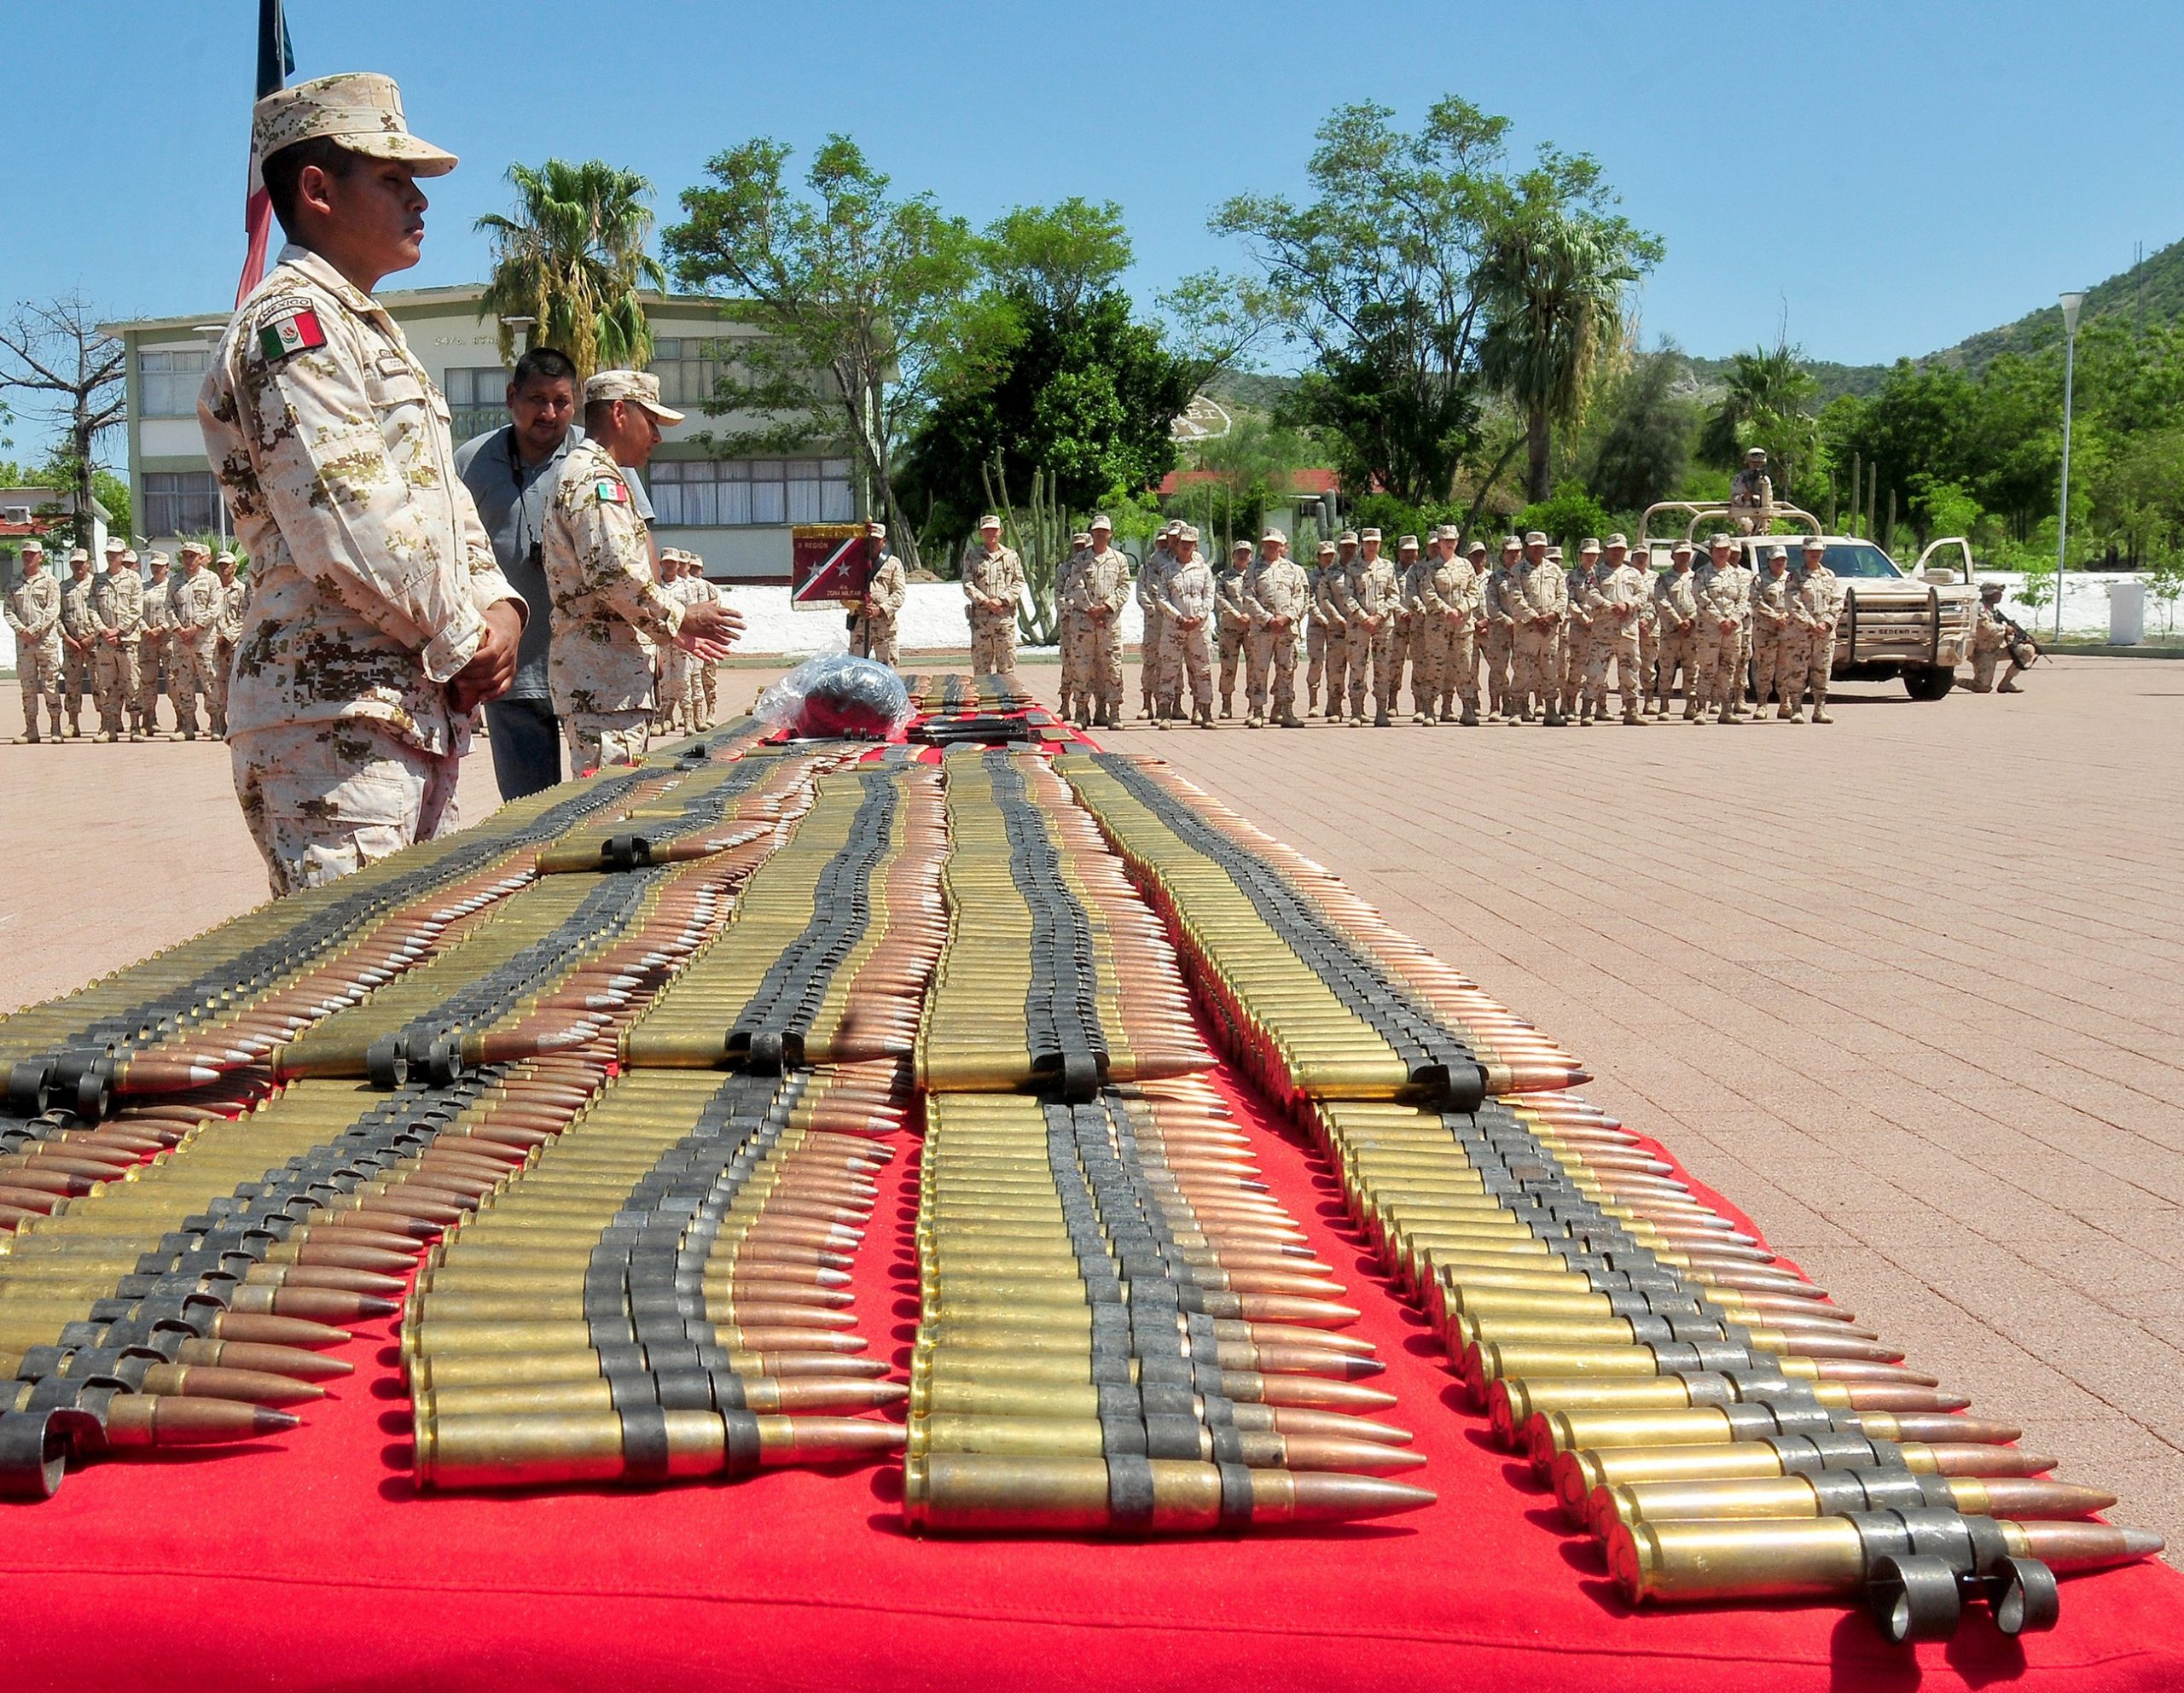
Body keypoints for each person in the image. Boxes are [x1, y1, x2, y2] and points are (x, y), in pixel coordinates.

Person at [200, 72, 528, 893]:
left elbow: (444, 505)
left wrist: (500, 607)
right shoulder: (291, 325)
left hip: (398, 707)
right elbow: (350, 524)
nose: (420, 200)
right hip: (330, 718)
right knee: (357, 966)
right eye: (392, 178)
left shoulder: (363, 329)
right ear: (317, 190)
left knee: (416, 956)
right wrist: (466, 639)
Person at [543, 369, 740, 772]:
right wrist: (681, 617)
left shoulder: (594, 472)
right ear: (619, 413)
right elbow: (614, 575)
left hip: (608, 683)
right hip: (604, 686)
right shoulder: (595, 479)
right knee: (609, 800)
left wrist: (671, 632)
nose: (657, 437)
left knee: (619, 795)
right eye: (651, 422)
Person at [454, 344, 584, 800]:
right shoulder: (470, 462)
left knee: (607, 804)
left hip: (592, 668)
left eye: (561, 402)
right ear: (512, 397)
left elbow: (639, 540)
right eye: (536, 400)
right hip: (514, 669)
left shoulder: (595, 459)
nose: (549, 413)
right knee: (529, 811)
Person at [1242, 527, 1307, 728]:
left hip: (1286, 630)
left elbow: (1300, 596)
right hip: (1263, 630)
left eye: (1275, 544)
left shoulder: (1293, 570)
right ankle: (1257, 712)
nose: (1271, 547)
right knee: (1259, 670)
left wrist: (1287, 617)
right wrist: (1269, 619)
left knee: (1287, 670)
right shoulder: (1253, 570)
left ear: (1281, 546)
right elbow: (1248, 598)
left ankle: (1286, 711)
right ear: (1263, 545)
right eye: (1268, 544)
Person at [1071, 515, 1130, 729]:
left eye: (1104, 531)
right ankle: (1081, 713)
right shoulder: (1080, 559)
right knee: (1082, 667)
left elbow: (1124, 588)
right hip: (1084, 624)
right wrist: (1090, 609)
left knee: (1112, 667)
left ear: (1110, 534)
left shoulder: (1119, 559)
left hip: (1109, 623)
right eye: (1097, 531)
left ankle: (1113, 713)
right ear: (1092, 533)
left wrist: (1105, 608)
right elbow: (1075, 586)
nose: (1100, 534)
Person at [1154, 523, 1215, 728]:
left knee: (1202, 670)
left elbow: (1209, 598)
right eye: (1183, 543)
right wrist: (1179, 618)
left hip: (1199, 628)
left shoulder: (1204, 570)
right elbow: (1162, 599)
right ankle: (1165, 713)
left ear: (1196, 545)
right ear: (1177, 544)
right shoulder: (1167, 570)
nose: (1186, 547)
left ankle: (1205, 712)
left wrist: (1198, 618)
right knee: (1169, 670)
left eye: (1191, 543)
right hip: (1174, 628)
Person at [1583, 539, 1647, 725]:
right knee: (1595, 672)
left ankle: (1631, 710)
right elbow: (1591, 594)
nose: (1617, 553)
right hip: (1604, 632)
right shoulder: (1595, 573)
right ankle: (1586, 710)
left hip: (1628, 632)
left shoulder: (1633, 573)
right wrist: (1611, 606)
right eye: (1613, 549)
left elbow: (1643, 595)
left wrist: (1628, 605)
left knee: (1630, 671)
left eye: (1621, 549)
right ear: (1606, 551)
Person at [4, 538, 63, 742]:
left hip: (45, 642)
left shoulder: (50, 581)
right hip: (24, 644)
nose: (28, 557)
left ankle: (55, 728)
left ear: (41, 557)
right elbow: (9, 610)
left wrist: (35, 630)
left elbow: (53, 610)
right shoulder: (14, 582)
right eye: (25, 554)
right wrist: (22, 630)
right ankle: (31, 729)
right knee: (28, 687)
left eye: (32, 554)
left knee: (50, 685)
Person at [1510, 531, 1567, 726]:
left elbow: (1563, 596)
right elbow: (1515, 598)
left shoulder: (1555, 570)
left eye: (1541, 547)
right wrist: (1535, 619)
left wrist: (1552, 616)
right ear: (1527, 547)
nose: (1538, 550)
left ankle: (1551, 711)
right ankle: (1517, 710)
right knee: (1523, 670)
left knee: (1550, 669)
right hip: (1527, 630)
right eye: (1534, 547)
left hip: (1550, 631)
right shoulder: (1517, 571)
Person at [1345, 527, 1400, 726]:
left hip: (1383, 626)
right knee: (1357, 667)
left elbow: (1394, 595)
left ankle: (1381, 712)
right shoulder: (1352, 567)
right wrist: (1363, 618)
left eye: (1375, 543)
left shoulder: (1387, 567)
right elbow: (1347, 596)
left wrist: (1379, 616)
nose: (1371, 546)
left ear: (1380, 545)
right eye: (1368, 542)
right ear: (1362, 544)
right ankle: (1356, 712)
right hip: (1358, 626)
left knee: (1383, 667)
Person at [1694, 533, 1753, 724]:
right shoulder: (1701, 574)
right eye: (1718, 549)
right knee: (1707, 669)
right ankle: (1701, 709)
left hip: (1733, 630)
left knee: (1728, 669)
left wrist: (1733, 620)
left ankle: (1726, 710)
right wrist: (1720, 620)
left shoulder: (1738, 575)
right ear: (1711, 551)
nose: (1722, 553)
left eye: (1725, 549)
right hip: (1710, 629)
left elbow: (1744, 600)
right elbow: (1701, 599)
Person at [90, 542, 145, 742]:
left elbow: (136, 609)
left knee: (132, 683)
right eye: (109, 553)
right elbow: (92, 608)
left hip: (127, 640)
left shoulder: (133, 578)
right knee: (106, 685)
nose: (112, 557)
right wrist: (104, 630)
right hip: (105, 642)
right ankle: (109, 727)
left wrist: (118, 630)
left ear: (123, 555)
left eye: (115, 554)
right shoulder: (98, 580)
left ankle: (135, 727)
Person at [169, 542, 224, 742]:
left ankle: (216, 724)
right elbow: (168, 607)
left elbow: (215, 607)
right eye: (186, 556)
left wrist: (196, 628)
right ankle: (187, 725)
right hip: (181, 641)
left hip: (204, 641)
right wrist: (179, 629)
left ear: (200, 558)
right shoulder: (175, 581)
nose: (188, 559)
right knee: (183, 683)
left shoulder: (211, 579)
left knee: (210, 681)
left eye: (192, 556)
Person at [1785, 538, 1841, 722]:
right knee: (1797, 671)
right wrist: (1811, 623)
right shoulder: (1795, 576)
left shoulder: (1829, 576)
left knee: (1822, 671)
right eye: (1811, 551)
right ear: (1804, 553)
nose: (1815, 554)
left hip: (1824, 634)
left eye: (1818, 551)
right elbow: (1793, 603)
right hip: (1801, 634)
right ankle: (1796, 709)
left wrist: (1826, 623)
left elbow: (1837, 601)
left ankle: (1819, 710)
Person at [961, 515, 1023, 677]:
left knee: (1006, 671)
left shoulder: (1011, 556)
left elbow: (1019, 582)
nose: (991, 534)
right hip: (981, 622)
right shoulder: (972, 557)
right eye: (987, 530)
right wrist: (986, 602)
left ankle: (1006, 695)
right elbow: (968, 584)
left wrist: (1001, 600)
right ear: (980, 533)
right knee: (981, 671)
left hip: (1004, 620)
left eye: (994, 530)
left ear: (1001, 531)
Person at [1653, 539, 1700, 719]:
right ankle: (1664, 705)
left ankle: (1691, 705)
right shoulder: (1664, 579)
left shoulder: (1697, 577)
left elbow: (1702, 600)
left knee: (1692, 668)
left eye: (1686, 554)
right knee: (1666, 669)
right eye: (1680, 554)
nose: (1683, 557)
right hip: (1671, 631)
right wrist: (1679, 621)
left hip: (1692, 632)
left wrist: (1691, 620)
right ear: (1672, 556)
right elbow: (1662, 601)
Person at [1135, 521, 1177, 719]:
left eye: (1166, 541)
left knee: (1174, 662)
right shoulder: (1150, 564)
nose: (1163, 544)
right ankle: (1147, 704)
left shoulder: (1181, 562)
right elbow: (1142, 591)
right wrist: (1151, 609)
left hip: (1174, 619)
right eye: (1160, 541)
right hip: (1154, 620)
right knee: (1150, 661)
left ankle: (1176, 705)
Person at [851, 522, 908, 669]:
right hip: (860, 626)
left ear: (884, 541)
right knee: (856, 669)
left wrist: (880, 609)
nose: (872, 543)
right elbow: (844, 591)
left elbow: (899, 594)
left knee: (888, 670)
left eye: (876, 540)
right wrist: (857, 606)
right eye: (869, 540)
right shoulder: (854, 563)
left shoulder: (893, 564)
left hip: (885, 628)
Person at [1968, 581, 2039, 695]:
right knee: (1982, 687)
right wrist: (2005, 628)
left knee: (2027, 650)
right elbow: (1985, 628)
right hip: (1983, 652)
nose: (2000, 595)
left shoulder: (1994, 610)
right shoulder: (1980, 609)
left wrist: (2018, 637)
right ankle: (1954, 680)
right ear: (1990, 594)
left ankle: (2006, 683)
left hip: (1999, 648)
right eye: (1998, 593)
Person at [1749, 544, 1794, 717]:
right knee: (1764, 668)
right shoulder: (1760, 579)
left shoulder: (1792, 579)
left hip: (1787, 630)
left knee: (1785, 668)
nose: (1779, 563)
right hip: (1765, 631)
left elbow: (1798, 600)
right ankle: (1762, 704)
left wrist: (1787, 616)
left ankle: (1785, 703)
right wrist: (1775, 616)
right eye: (1776, 560)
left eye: (1782, 559)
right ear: (1769, 561)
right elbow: (1755, 601)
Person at [1317, 532, 1357, 719]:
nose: (1349, 549)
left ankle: (1358, 709)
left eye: (1352, 546)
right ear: (1339, 549)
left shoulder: (1363, 570)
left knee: (1359, 668)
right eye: (1345, 546)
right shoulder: (1330, 573)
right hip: (1337, 629)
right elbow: (1324, 599)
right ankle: (1335, 706)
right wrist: (1336, 618)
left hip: (1359, 628)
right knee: (1335, 669)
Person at [1480, 536, 1520, 720]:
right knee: (1498, 668)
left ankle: (1520, 705)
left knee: (1523, 668)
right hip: (1500, 629)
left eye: (1517, 552)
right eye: (1510, 552)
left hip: (1523, 628)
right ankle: (1495, 706)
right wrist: (1506, 620)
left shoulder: (1526, 574)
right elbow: (1491, 605)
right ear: (1503, 554)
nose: (1514, 555)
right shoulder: (1495, 578)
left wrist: (1522, 621)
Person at [58, 547, 96, 738]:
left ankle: (106, 722)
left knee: (100, 683)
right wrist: (67, 637)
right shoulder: (63, 587)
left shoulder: (97, 584)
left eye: (81, 563)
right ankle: (73, 723)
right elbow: (57, 616)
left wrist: (94, 636)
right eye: (74, 563)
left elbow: (104, 612)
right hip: (71, 644)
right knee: (72, 684)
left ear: (88, 564)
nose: (77, 566)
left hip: (94, 643)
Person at [1054, 530, 1092, 720]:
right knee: (1069, 663)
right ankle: (1065, 705)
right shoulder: (1064, 569)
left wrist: (1089, 609)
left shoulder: (1093, 566)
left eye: (1083, 547)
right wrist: (1071, 609)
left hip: (1091, 623)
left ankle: (1095, 708)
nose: (1079, 550)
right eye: (1076, 547)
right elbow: (1059, 594)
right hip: (1070, 624)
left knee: (1093, 667)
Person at [136, 549, 174, 737]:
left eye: (160, 566)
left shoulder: (172, 587)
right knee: (146, 681)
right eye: (154, 566)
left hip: (167, 639)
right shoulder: (143, 588)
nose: (156, 569)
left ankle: (183, 719)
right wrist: (145, 629)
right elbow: (136, 611)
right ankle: (149, 719)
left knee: (173, 681)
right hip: (146, 640)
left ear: (167, 567)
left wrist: (163, 628)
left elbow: (175, 611)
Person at [1215, 539, 1251, 718]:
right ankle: (1226, 704)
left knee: (1255, 668)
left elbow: (1263, 598)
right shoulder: (1224, 576)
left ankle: (1254, 706)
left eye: (1246, 553)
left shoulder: (1256, 575)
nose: (1242, 556)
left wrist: (1250, 615)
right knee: (1228, 667)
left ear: (1250, 556)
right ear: (1233, 555)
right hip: (1230, 627)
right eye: (1239, 552)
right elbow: (1219, 598)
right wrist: (1236, 614)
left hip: (1252, 628)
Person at [212, 550, 247, 736]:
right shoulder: (213, 588)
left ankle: (235, 722)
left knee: (235, 685)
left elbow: (244, 616)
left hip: (233, 644)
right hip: (213, 644)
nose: (224, 569)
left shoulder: (242, 590)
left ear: (235, 567)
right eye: (221, 565)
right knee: (216, 684)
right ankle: (218, 723)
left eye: (227, 565)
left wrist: (227, 636)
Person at [1730, 447, 1774, 533]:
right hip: (1744, 513)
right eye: (1755, 463)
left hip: (1762, 514)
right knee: (1746, 529)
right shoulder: (1740, 479)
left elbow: (1770, 500)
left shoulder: (1765, 480)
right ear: (1749, 463)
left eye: (1760, 464)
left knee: (1763, 533)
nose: (1758, 466)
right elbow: (1733, 499)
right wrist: (1744, 497)